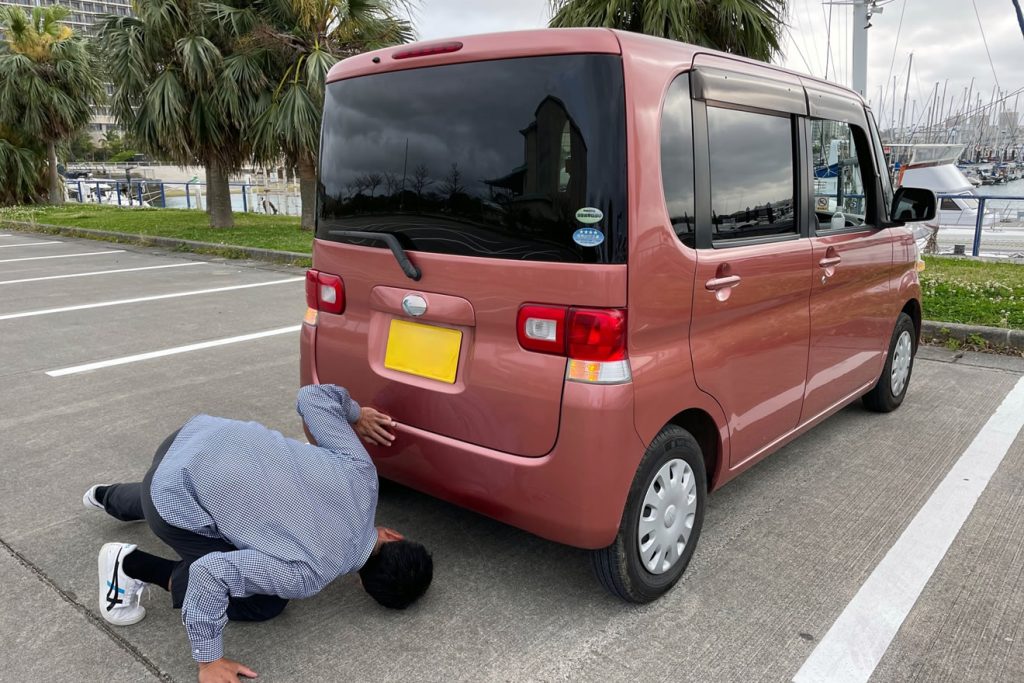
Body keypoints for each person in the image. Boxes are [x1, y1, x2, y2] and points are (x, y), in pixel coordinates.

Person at [83, 384, 432, 683]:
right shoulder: (307, 575)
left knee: (196, 488)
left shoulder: (364, 478)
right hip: (171, 498)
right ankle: (129, 566)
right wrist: (209, 661)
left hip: (195, 433)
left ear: (394, 535)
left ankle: (104, 495)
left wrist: (356, 415)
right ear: (364, 585)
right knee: (266, 602)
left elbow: (314, 397)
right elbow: (209, 575)